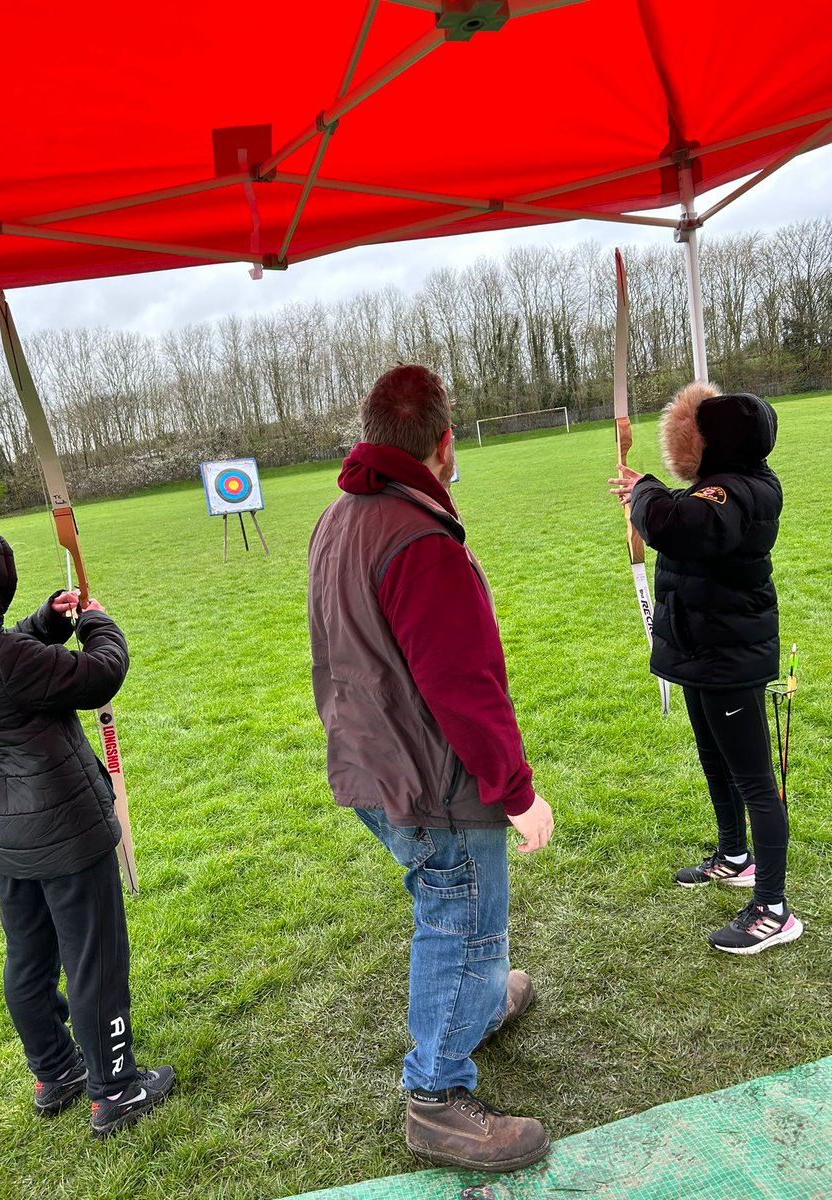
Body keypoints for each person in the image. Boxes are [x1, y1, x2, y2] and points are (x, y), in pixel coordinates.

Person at [308, 364, 554, 1173]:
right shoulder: (417, 538)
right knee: (462, 915)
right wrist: (517, 795)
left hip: (372, 764)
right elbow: (464, 686)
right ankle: (438, 1097)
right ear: (446, 444)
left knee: (454, 911)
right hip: (427, 780)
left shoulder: (341, 516)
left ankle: (474, 1006)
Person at [0, 520, 175, 1136]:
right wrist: (98, 623)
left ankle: (55, 1071)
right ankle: (115, 1089)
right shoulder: (7, 660)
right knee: (94, 959)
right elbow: (98, 677)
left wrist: (44, 621)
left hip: (5, 837)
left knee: (30, 957)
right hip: (66, 833)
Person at [609, 382, 802, 954]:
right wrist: (651, 493)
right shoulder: (726, 487)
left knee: (756, 781)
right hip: (704, 650)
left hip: (727, 655)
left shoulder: (736, 492)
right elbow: (681, 511)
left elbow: (675, 523)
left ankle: (773, 908)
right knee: (715, 757)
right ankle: (734, 854)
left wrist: (644, 490)